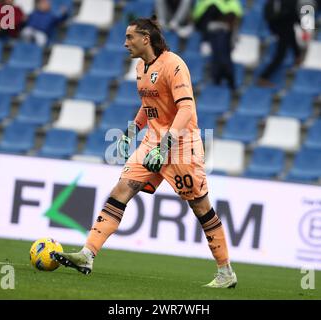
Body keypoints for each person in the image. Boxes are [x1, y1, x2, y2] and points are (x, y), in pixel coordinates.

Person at [54, 16, 237, 289]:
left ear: (145, 39)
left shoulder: (174, 65)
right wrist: (132, 130)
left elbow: (186, 109)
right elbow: (148, 104)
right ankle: (87, 254)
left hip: (181, 146)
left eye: (130, 38)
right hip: (152, 142)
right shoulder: (141, 67)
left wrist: (166, 146)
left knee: (200, 207)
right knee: (121, 190)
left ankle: (226, 272)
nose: (125, 43)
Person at [193, 0, 243, 90]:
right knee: (221, 51)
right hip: (213, 30)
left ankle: (221, 76)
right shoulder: (211, 6)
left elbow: (236, 13)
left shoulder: (231, 5)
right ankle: (225, 77)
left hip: (222, 32)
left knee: (221, 50)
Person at [257, 0, 305, 87]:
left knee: (291, 35)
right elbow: (294, 14)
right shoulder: (290, 3)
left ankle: (297, 56)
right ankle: (263, 77)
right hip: (283, 27)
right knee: (280, 55)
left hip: (280, 27)